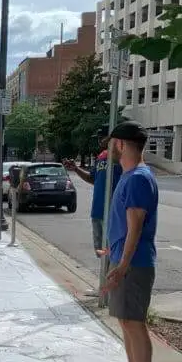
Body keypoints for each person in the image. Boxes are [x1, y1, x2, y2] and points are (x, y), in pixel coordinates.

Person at [95, 121, 159, 362]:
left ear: (120, 144)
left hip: (133, 264)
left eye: (111, 143)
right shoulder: (131, 176)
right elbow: (125, 226)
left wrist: (121, 265)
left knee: (135, 324)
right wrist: (113, 248)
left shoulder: (137, 178)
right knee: (126, 321)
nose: (109, 148)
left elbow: (136, 225)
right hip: (125, 259)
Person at [64, 125, 123, 297]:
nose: (99, 140)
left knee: (110, 251)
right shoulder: (101, 158)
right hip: (97, 210)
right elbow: (92, 178)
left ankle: (109, 290)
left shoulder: (119, 158)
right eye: (98, 137)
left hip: (112, 212)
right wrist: (75, 169)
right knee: (102, 251)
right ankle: (104, 288)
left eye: (102, 137)